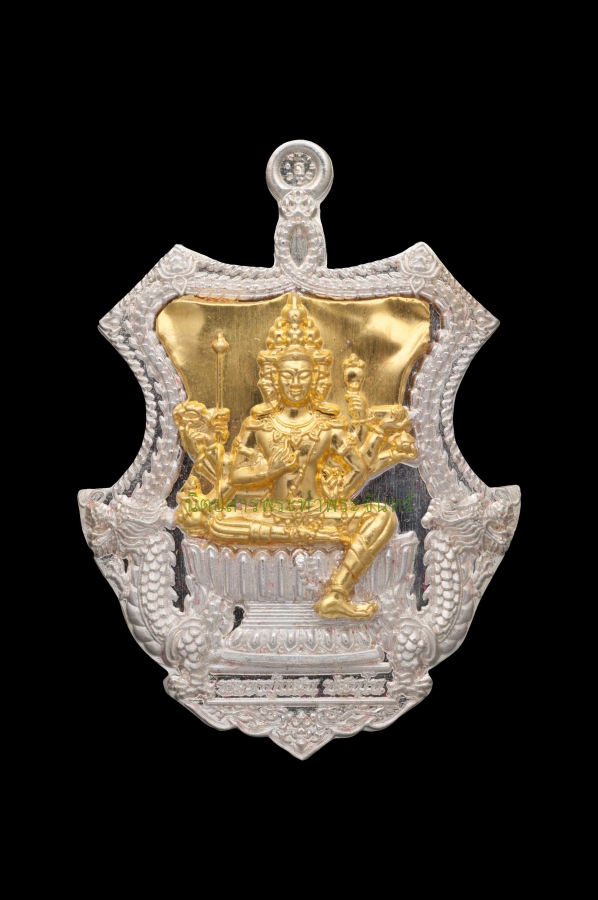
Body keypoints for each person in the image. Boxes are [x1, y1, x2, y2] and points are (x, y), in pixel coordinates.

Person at [174, 294, 416, 620]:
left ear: (316, 377)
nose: (295, 383)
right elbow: (237, 476)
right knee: (217, 520)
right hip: (271, 515)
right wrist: (269, 471)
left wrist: (371, 443)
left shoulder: (328, 425)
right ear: (274, 378)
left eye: (303, 375)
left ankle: (336, 592)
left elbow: (360, 467)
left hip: (319, 513)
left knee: (383, 517)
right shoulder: (259, 424)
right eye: (287, 376)